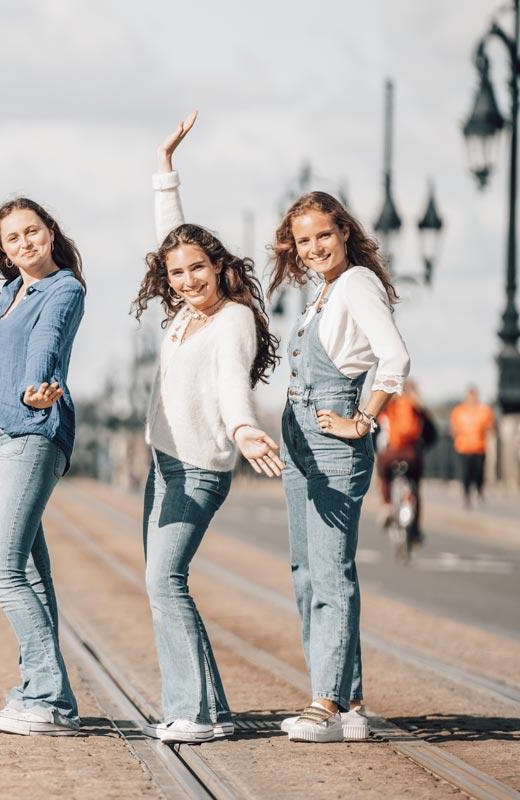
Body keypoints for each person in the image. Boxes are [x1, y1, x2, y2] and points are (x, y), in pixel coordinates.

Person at [134, 112, 284, 743]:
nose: (189, 280)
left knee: (164, 581)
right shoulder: (184, 312)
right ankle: (210, 709)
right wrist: (165, 167)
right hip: (164, 462)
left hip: (198, 469)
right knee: (163, 582)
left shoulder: (232, 320)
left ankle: (193, 714)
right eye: (177, 274)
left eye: (199, 269)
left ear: (219, 267)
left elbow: (230, 384)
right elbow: (175, 236)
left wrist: (245, 430)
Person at [270, 185, 410, 743]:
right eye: (304, 240)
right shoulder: (323, 292)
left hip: (332, 444)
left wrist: (363, 419)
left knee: (330, 574)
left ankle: (323, 703)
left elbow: (394, 356)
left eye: (323, 235)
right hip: (298, 441)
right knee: (306, 572)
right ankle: (350, 701)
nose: (313, 247)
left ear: (344, 232)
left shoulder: (355, 284)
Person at [0, 190, 87, 736]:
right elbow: (0, 348)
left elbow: (47, 344)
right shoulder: (11, 292)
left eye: (32, 231)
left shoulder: (62, 289)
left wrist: (39, 382)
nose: (24, 242)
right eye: (13, 237)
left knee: (1, 569)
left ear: (50, 233)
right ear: (4, 250)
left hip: (29, 431)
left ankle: (48, 695)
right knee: (30, 570)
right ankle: (43, 697)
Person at [376, 379, 434, 543]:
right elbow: (431, 434)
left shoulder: (389, 405)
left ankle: (387, 505)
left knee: (384, 477)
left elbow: (376, 433)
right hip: (412, 455)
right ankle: (415, 530)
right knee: (415, 487)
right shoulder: (418, 407)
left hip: (390, 454)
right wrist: (422, 447)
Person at [450, 384, 495, 508]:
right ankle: (467, 496)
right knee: (465, 473)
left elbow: (490, 427)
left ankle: (479, 491)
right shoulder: (458, 411)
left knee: (479, 472)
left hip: (479, 447)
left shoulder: (484, 410)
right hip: (463, 448)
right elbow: (453, 428)